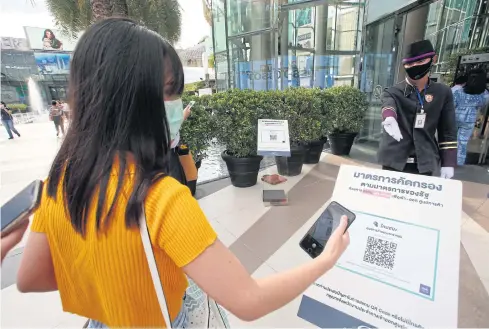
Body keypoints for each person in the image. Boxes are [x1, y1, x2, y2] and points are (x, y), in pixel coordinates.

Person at [17, 18, 350, 328]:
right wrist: (325, 261)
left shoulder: (58, 184)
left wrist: (111, 281)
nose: (177, 103)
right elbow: (250, 301)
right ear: (129, 100)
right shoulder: (160, 200)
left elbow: (31, 277)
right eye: (168, 91)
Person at [378, 40, 457, 178]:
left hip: (425, 163)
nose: (414, 66)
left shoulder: (442, 92)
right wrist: (389, 117)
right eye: (409, 63)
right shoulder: (393, 92)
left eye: (420, 61)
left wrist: (448, 162)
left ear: (434, 59)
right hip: (394, 163)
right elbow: (388, 105)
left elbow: (448, 130)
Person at [453, 68, 489, 166]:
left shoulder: (459, 91)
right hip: (469, 119)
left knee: (451, 140)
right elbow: (482, 105)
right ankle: (458, 162)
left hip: (455, 116)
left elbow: (453, 104)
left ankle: (447, 159)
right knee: (462, 142)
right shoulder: (484, 94)